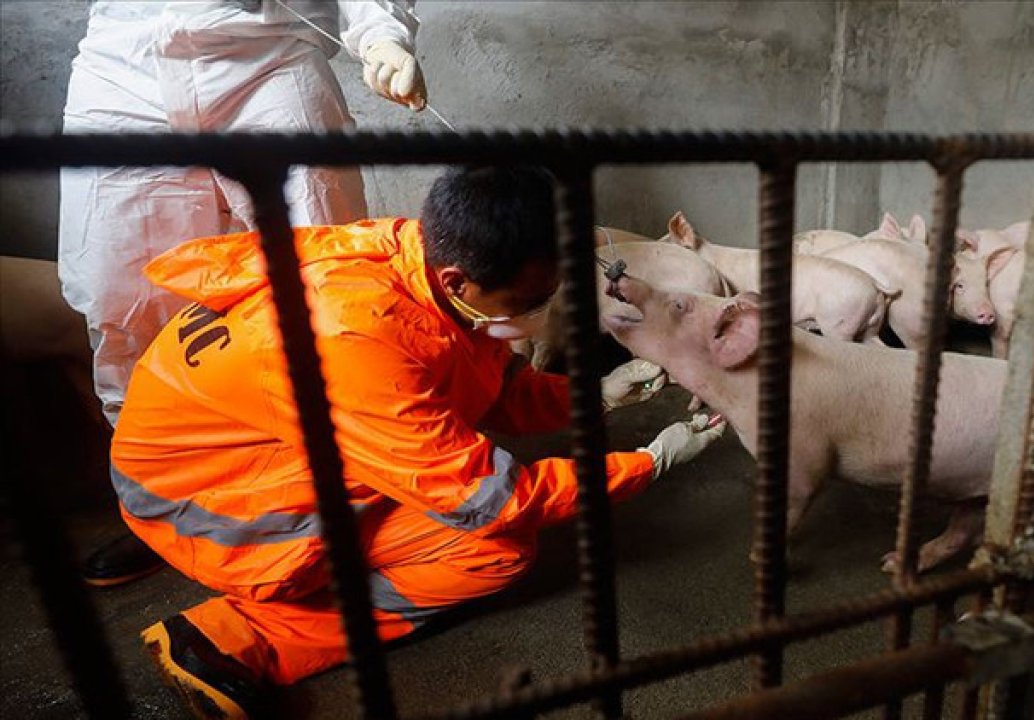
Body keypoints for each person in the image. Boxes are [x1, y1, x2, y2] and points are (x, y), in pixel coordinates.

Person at [112, 166, 725, 718]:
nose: (544, 309)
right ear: (461, 278)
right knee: (495, 548)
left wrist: (594, 394)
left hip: (213, 455)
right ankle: (236, 637)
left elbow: (483, 384)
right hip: (211, 507)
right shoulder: (357, 343)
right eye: (533, 300)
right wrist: (647, 461)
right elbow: (492, 498)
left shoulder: (419, 260)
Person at [59, 0, 428, 587]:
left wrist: (380, 35)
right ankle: (159, 506)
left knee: (322, 288)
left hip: (270, 56)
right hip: (125, 67)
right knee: (124, 301)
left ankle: (359, 492)